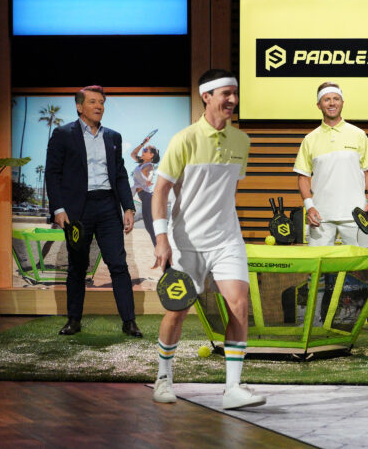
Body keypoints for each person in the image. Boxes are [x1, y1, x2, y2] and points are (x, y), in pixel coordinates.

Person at [150, 69, 265, 410]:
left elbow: (229, 191)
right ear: (207, 97)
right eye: (226, 94)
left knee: (239, 305)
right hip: (185, 242)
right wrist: (161, 238)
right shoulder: (184, 139)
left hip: (227, 240)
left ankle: (233, 389)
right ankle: (163, 378)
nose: (232, 100)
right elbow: (160, 191)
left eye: (235, 94)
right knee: (177, 312)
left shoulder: (242, 141)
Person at [293, 81, 368, 337]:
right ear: (319, 105)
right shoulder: (309, 139)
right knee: (315, 271)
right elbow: (303, 177)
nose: (331, 103)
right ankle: (313, 322)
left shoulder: (358, 134)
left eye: (335, 99)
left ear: (342, 103)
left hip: (356, 216)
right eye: (326, 99)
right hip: (321, 217)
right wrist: (309, 206)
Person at [45, 85, 142, 338]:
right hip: (78, 210)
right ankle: (74, 320)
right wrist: (58, 208)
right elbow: (52, 174)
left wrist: (128, 207)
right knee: (77, 266)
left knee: (118, 264)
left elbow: (120, 175)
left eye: (101, 102)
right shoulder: (63, 134)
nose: (99, 106)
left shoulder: (113, 137)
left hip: (108, 207)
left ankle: (129, 321)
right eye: (92, 102)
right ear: (80, 107)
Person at [130, 138, 160, 245]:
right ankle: (160, 249)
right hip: (143, 196)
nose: (143, 151)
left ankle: (159, 249)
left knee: (150, 226)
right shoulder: (141, 162)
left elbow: (151, 173)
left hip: (147, 196)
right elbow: (133, 154)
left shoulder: (149, 165)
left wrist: (149, 180)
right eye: (144, 149)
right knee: (149, 225)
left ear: (151, 155)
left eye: (146, 150)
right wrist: (143, 144)